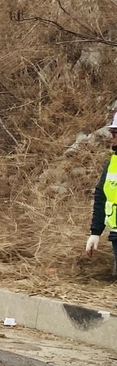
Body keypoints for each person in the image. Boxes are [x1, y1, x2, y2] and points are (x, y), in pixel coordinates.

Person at [85, 111, 117, 270]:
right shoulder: (112, 164)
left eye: (116, 133)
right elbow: (101, 196)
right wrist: (95, 232)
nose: (113, 137)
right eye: (113, 132)